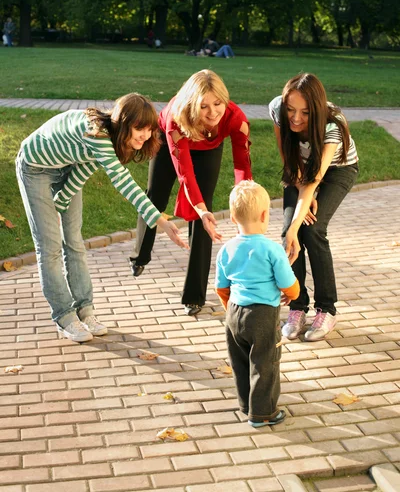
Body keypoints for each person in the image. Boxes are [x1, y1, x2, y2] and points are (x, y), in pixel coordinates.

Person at [16, 94, 188, 343]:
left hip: (68, 166)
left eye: (149, 129)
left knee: (74, 241)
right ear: (124, 123)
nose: (145, 135)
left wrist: (60, 203)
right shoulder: (97, 134)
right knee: (50, 247)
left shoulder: (110, 141)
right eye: (140, 128)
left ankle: (85, 312)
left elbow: (82, 170)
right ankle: (65, 317)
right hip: (35, 168)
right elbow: (124, 182)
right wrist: (159, 220)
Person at [130, 69, 252, 315]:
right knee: (156, 198)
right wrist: (197, 203)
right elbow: (185, 172)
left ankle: (194, 296)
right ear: (192, 104)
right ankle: (140, 256)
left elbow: (243, 165)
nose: (212, 112)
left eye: (217, 103)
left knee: (204, 215)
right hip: (170, 143)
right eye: (204, 106)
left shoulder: (236, 119)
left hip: (209, 147)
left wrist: (245, 206)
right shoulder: (177, 117)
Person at [269, 73, 359, 342]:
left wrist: (308, 200)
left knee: (312, 230)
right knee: (288, 233)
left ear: (317, 110)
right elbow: (288, 157)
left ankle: (326, 310)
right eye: (291, 110)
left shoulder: (333, 124)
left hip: (336, 171)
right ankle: (297, 307)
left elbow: (317, 178)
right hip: (300, 169)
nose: (295, 118)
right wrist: (300, 199)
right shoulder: (277, 108)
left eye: (305, 113)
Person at [215, 180, 299, 427]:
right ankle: (263, 413)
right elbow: (288, 283)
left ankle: (245, 404)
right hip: (262, 315)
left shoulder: (226, 249)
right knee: (265, 363)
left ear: (232, 217)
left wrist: (231, 310)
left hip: (234, 314)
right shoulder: (272, 249)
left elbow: (221, 287)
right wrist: (292, 294)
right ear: (264, 215)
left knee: (240, 361)